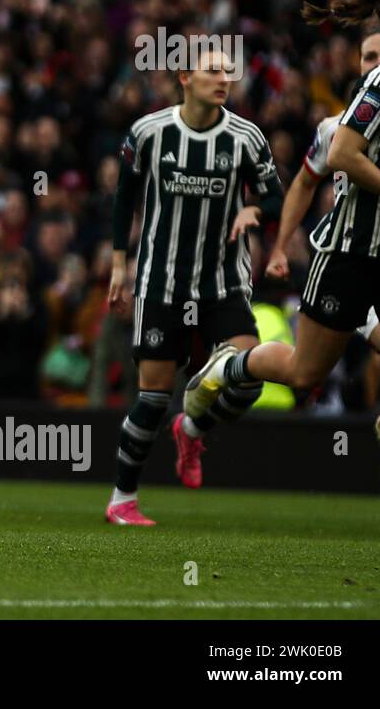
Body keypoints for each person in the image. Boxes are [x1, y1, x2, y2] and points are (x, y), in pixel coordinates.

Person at [189, 0, 380, 499]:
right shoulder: (365, 101)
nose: (378, 61)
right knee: (305, 373)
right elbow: (327, 166)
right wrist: (280, 247)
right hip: (347, 252)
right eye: (371, 54)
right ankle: (231, 364)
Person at [106, 49, 283, 525]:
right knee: (153, 397)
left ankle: (194, 426)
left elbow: (275, 194)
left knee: (249, 377)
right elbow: (125, 197)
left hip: (223, 281)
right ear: (186, 77)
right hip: (160, 281)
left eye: (228, 71)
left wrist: (256, 211)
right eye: (212, 71)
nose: (223, 78)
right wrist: (119, 263)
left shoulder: (246, 137)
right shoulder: (148, 132)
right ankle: (122, 500)